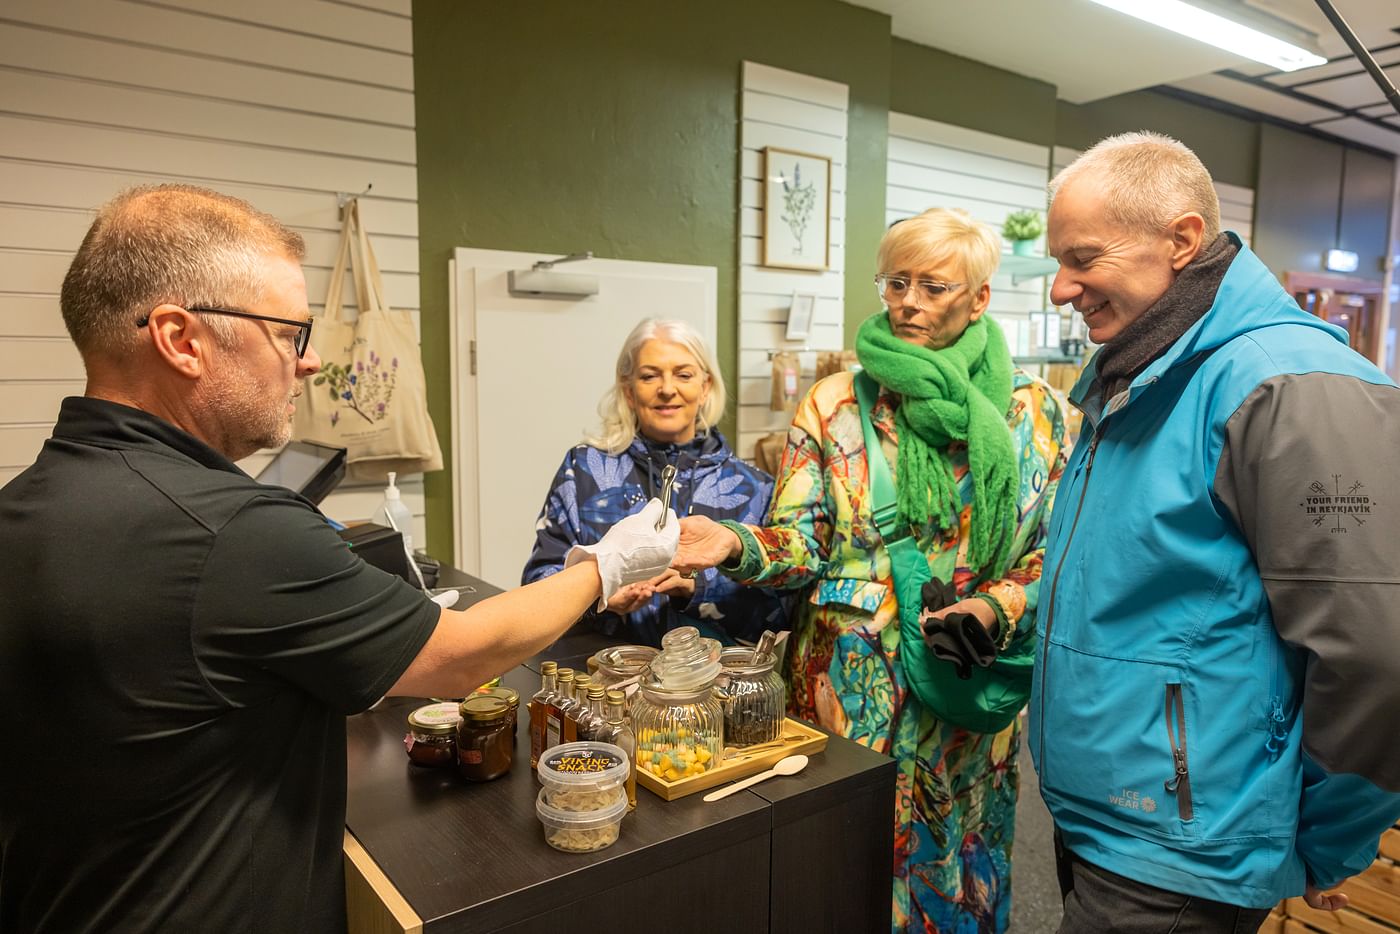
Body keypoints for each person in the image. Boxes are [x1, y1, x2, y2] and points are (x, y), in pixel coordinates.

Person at [0, 184, 677, 933]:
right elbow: (459, 658)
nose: (312, 360)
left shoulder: (26, 504)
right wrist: (608, 564)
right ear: (182, 339)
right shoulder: (233, 531)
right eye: (291, 331)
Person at [1034, 132, 1400, 933]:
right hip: (1111, 823)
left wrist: (1326, 842)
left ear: (1183, 240)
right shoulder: (1141, 376)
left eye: (1082, 258)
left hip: (1182, 855)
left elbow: (1378, 656)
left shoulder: (1292, 389)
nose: (1061, 288)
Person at [673, 208, 1068, 932]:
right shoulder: (833, 404)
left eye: (933, 286)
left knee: (959, 863)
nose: (909, 302)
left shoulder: (1032, 413)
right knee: (836, 864)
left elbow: (1057, 550)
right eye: (896, 282)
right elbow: (803, 543)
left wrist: (998, 606)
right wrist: (734, 545)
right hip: (849, 695)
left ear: (979, 298)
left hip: (963, 685)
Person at [522, 317, 786, 646]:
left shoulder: (754, 489)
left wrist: (696, 589)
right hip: (602, 684)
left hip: (715, 689)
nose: (667, 389)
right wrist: (597, 594)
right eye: (649, 376)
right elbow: (537, 585)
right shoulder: (585, 469)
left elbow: (780, 611)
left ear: (705, 387)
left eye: (683, 374)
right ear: (628, 390)